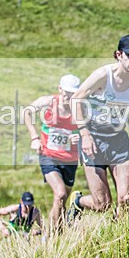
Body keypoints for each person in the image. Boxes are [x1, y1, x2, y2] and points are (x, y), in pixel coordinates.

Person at [68, 35, 129, 221]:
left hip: (118, 140)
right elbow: (76, 98)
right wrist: (84, 133)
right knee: (102, 203)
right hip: (93, 138)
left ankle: (119, 236)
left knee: (126, 198)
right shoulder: (103, 75)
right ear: (119, 54)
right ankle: (78, 202)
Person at [23, 74, 81, 231]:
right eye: (67, 92)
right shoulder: (48, 102)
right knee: (60, 193)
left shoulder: (80, 108)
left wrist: (80, 136)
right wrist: (34, 137)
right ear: (60, 89)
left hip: (70, 159)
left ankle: (58, 234)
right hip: (48, 156)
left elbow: (90, 129)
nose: (69, 97)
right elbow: (27, 112)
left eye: (73, 93)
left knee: (62, 201)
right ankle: (52, 237)